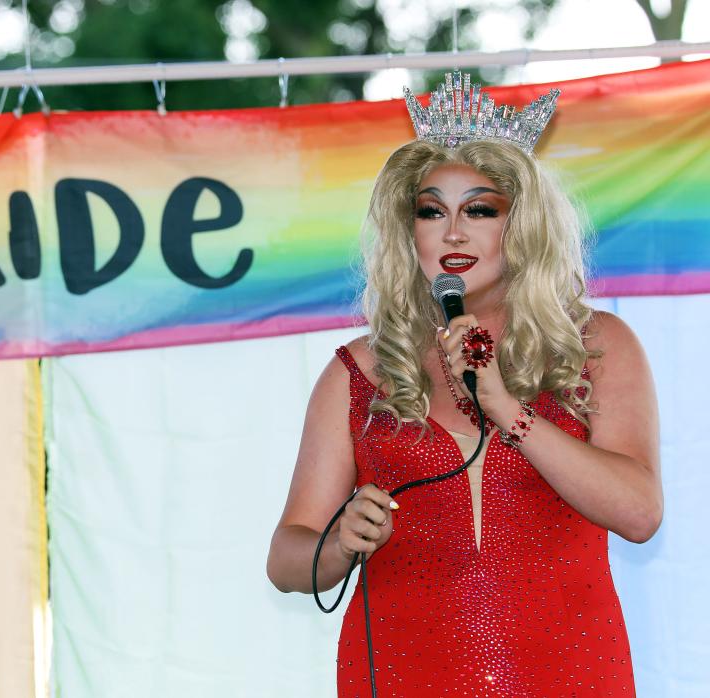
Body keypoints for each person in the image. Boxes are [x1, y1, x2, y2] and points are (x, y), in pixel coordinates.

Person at [266, 72, 662, 697]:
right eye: (431, 211)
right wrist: (341, 541)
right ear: (410, 231)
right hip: (401, 673)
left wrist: (506, 407)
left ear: (521, 225)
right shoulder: (361, 370)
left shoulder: (594, 346)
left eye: (480, 209)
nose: (453, 232)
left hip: (569, 675)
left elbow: (639, 514)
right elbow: (287, 558)